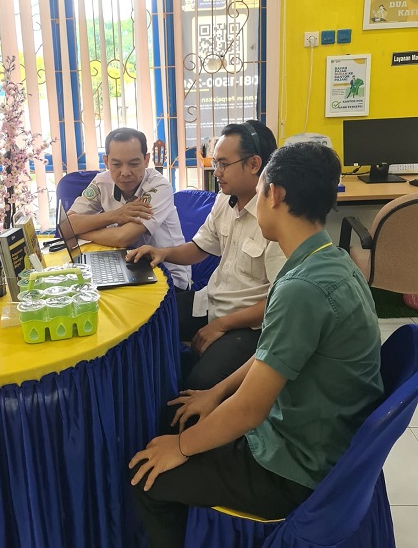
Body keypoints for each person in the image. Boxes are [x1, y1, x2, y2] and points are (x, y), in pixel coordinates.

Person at [129, 143, 383, 548]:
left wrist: (180, 448)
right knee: (182, 415)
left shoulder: (302, 287)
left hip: (295, 467)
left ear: (274, 194)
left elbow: (250, 410)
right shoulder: (327, 260)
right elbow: (273, 355)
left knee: (146, 481)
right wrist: (216, 392)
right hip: (318, 434)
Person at [128, 121, 285, 389]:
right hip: (211, 302)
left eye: (223, 164)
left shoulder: (276, 219)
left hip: (249, 325)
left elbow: (278, 304)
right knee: (146, 324)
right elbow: (200, 247)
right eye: (215, 163)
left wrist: (221, 325)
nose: (216, 172)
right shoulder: (225, 198)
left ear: (254, 164)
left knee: (200, 382)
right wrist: (162, 252)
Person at [68, 127, 190, 289]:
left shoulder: (158, 187)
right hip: (124, 264)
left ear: (146, 160)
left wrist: (79, 232)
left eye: (133, 164)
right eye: (116, 164)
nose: (125, 172)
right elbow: (67, 223)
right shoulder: (101, 182)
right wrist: (115, 215)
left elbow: (123, 237)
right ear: (106, 162)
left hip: (167, 275)